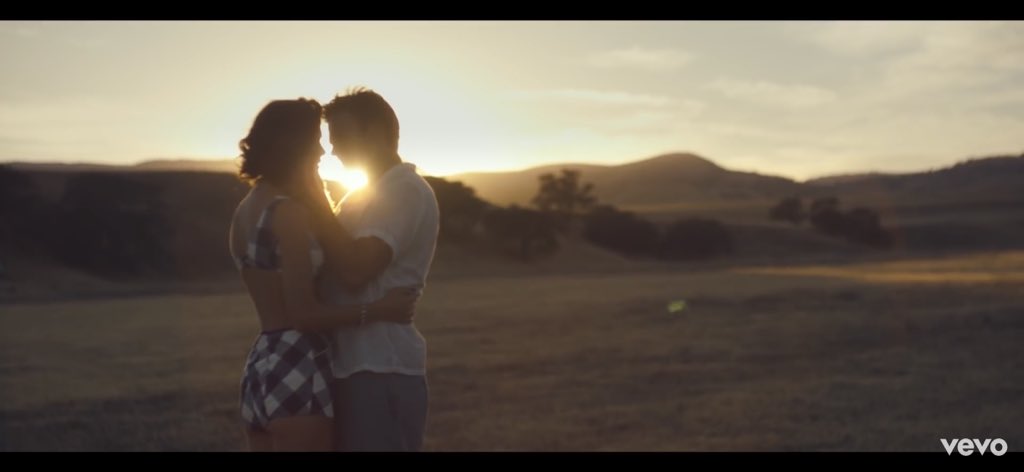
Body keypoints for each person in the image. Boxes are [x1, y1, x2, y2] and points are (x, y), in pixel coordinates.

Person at [227, 98, 419, 451]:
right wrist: (379, 310)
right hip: (297, 361)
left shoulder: (246, 209)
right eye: (315, 140)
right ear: (293, 144)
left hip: (261, 364)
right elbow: (304, 315)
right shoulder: (288, 213)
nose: (321, 151)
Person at [307, 87, 440, 451]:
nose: (333, 149)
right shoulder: (364, 194)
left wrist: (314, 201)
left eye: (341, 135)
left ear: (377, 132)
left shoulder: (404, 190)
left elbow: (355, 270)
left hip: (381, 365)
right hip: (355, 364)